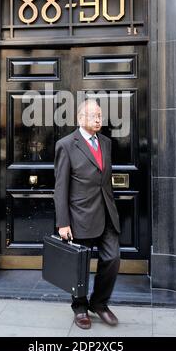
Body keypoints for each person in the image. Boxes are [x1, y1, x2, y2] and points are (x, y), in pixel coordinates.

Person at [53, 99, 121, 330]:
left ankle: (99, 303)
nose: (99, 119)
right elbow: (61, 187)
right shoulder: (66, 144)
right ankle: (80, 307)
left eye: (100, 115)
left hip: (106, 214)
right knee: (79, 266)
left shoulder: (106, 143)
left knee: (112, 258)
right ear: (81, 118)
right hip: (79, 215)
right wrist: (63, 223)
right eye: (94, 115)